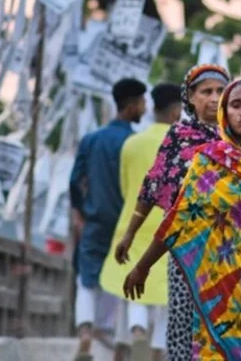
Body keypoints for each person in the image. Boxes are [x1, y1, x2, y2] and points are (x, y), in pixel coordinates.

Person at [124, 80, 241, 360]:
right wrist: (142, 267)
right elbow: (179, 220)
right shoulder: (209, 161)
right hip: (222, 291)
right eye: (235, 105)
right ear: (224, 113)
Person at [117, 64, 228, 361]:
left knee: (226, 326)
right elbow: (153, 184)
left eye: (220, 91)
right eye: (206, 92)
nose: (215, 98)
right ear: (190, 98)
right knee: (183, 324)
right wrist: (130, 234)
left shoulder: (240, 137)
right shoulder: (179, 136)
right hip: (186, 250)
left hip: (231, 251)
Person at [101, 82, 183, 361]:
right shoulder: (181, 144)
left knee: (133, 283)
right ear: (176, 110)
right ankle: (158, 351)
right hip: (169, 224)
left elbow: (127, 189)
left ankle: (136, 332)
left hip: (134, 222)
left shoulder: (132, 144)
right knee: (164, 294)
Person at [69, 78, 149, 361]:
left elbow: (74, 180)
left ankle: (86, 334)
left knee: (86, 280)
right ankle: (134, 336)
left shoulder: (92, 140)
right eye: (141, 102)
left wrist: (82, 211)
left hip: (96, 220)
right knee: (129, 282)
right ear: (130, 107)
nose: (145, 107)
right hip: (127, 224)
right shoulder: (137, 142)